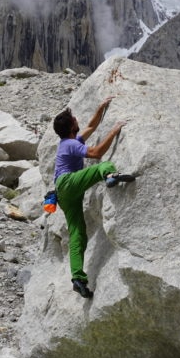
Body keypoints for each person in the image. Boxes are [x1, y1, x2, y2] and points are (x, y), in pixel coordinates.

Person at [52, 97, 135, 299]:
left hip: (63, 194)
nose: (77, 119)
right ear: (72, 126)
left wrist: (101, 107)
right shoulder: (71, 144)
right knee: (101, 166)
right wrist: (114, 130)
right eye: (74, 119)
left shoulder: (70, 141)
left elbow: (91, 125)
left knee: (77, 233)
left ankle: (78, 278)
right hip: (68, 183)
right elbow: (97, 153)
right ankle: (110, 176)